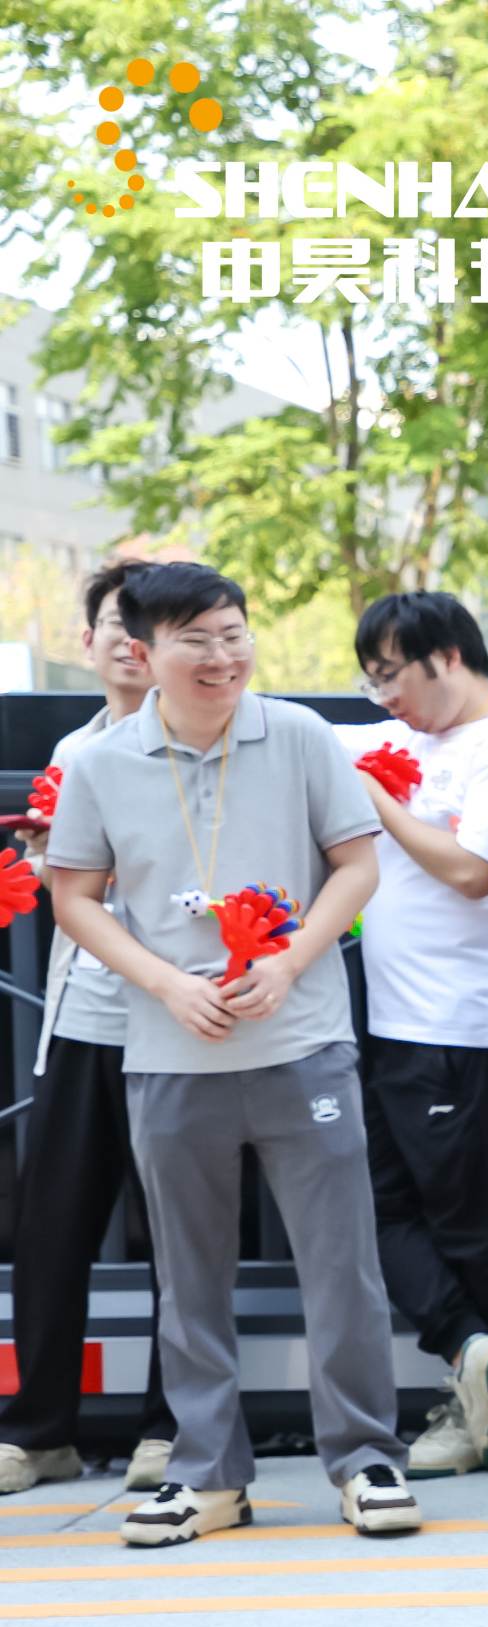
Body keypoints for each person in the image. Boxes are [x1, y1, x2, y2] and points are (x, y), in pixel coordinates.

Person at [44, 562, 418, 1547]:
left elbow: (357, 864)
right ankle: (209, 1472)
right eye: (196, 639)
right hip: (169, 1053)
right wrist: (165, 982)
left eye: (234, 633)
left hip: (303, 1042)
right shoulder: (102, 762)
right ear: (142, 650)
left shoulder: (299, 735)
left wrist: (292, 962)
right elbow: (74, 894)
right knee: (189, 1276)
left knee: (342, 1265)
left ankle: (365, 1457)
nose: (222, 656)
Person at [0, 561, 179, 1495]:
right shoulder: (74, 749)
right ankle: (41, 1432)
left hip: (177, 1019)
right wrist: (47, 859)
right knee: (51, 1228)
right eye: (117, 622)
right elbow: (71, 890)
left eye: (151, 627)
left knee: (176, 1232)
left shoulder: (200, 742)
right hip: (80, 1015)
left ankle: (171, 1425)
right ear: (90, 640)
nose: (131, 641)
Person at [347, 591, 488, 1477]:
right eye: (372, 679)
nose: (384, 696)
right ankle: (472, 1353)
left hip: (471, 1022)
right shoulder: (393, 740)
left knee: (471, 1223)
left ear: (449, 656)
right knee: (375, 1206)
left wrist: (378, 803)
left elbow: (472, 871)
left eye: (392, 674)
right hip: (390, 1017)